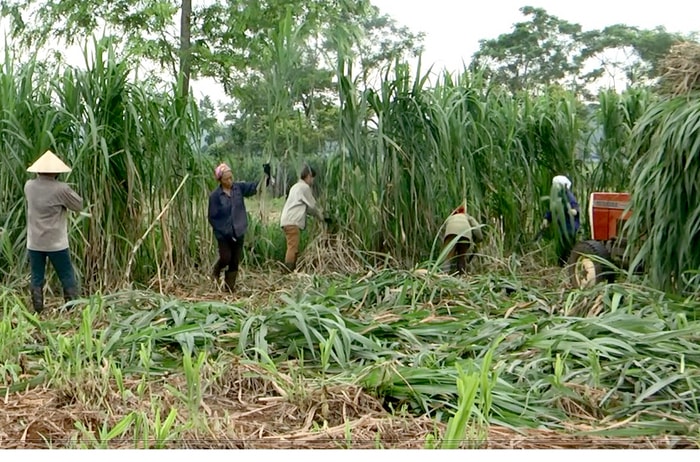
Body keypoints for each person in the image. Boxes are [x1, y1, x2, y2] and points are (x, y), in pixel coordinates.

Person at [24, 150, 84, 313]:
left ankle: (38, 310)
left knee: (37, 277)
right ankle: (71, 309)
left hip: (35, 242)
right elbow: (78, 205)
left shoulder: (29, 186)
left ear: (38, 170)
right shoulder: (61, 189)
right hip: (56, 243)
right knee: (66, 275)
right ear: (57, 172)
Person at [208, 162, 270, 293]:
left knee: (234, 261)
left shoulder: (238, 189)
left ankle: (229, 288)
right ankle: (216, 271)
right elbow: (212, 217)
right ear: (220, 180)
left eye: (231, 177)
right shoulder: (215, 196)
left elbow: (256, 188)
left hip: (238, 230)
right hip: (223, 234)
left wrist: (266, 176)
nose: (230, 181)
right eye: (227, 179)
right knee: (226, 257)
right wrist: (224, 231)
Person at [279, 165, 324, 273]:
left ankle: (290, 269)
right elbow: (313, 206)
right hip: (292, 221)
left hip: (287, 220)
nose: (312, 181)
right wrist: (323, 217)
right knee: (292, 247)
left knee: (292, 245)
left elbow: (306, 207)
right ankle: (287, 271)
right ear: (308, 176)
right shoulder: (304, 187)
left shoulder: (296, 186)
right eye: (312, 178)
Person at [541, 175, 580, 265]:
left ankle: (568, 264)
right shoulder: (556, 197)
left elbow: (576, 209)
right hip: (560, 228)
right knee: (561, 247)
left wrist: (571, 211)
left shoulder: (569, 197)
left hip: (569, 227)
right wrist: (546, 219)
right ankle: (561, 264)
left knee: (568, 247)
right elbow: (552, 210)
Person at [441, 203, 483, 275]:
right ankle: (462, 275)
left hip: (451, 232)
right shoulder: (467, 217)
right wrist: (479, 239)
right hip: (465, 234)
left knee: (448, 257)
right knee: (461, 257)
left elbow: (443, 229)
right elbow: (477, 228)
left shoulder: (450, 217)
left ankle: (444, 275)